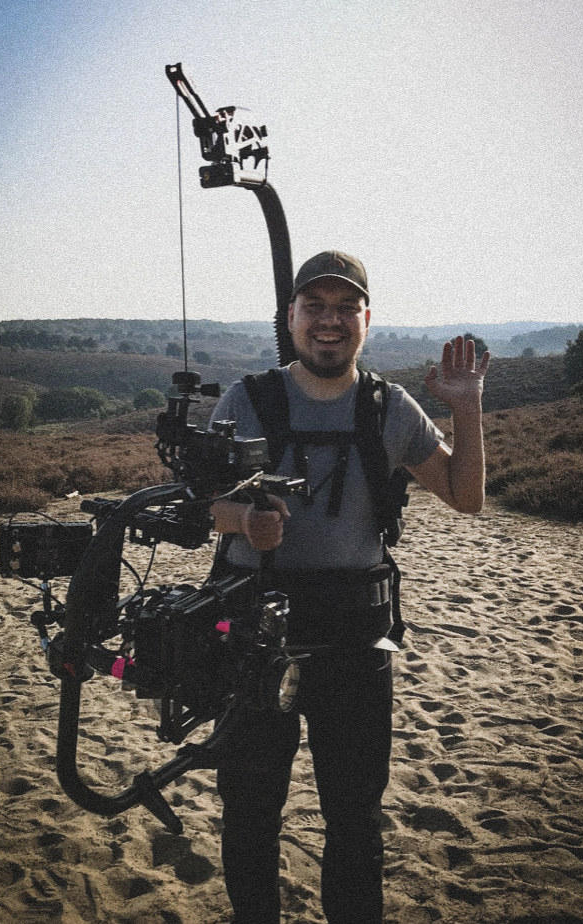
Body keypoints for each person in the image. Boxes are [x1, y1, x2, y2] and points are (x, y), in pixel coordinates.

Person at [208, 250, 490, 924]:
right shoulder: (247, 398)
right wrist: (244, 519)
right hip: (252, 636)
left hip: (355, 646)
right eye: (316, 307)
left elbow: (466, 496)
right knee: (249, 815)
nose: (329, 322)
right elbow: (201, 505)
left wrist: (468, 409)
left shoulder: (389, 409)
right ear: (291, 317)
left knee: (356, 822)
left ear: (366, 319)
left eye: (344, 308)